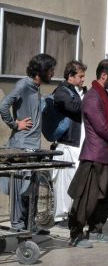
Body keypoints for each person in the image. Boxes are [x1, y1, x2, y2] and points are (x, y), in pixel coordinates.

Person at [67, 59, 108, 248]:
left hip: (105, 155)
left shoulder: (103, 94)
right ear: (104, 75)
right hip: (94, 155)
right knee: (86, 198)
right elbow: (101, 127)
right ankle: (76, 234)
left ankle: (95, 230)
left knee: (104, 198)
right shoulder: (92, 97)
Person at [0, 53, 56, 232]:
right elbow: (3, 105)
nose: (52, 73)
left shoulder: (35, 86)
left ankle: (29, 225)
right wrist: (15, 124)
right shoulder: (23, 84)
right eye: (50, 70)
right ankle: (18, 226)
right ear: (40, 71)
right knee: (19, 189)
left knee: (30, 190)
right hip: (21, 145)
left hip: (33, 146)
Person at [52, 60, 88, 223]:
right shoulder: (61, 91)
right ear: (70, 76)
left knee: (75, 182)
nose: (83, 79)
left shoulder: (78, 92)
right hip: (67, 144)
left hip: (78, 145)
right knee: (64, 183)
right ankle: (61, 217)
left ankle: (73, 215)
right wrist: (84, 98)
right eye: (80, 76)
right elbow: (75, 108)